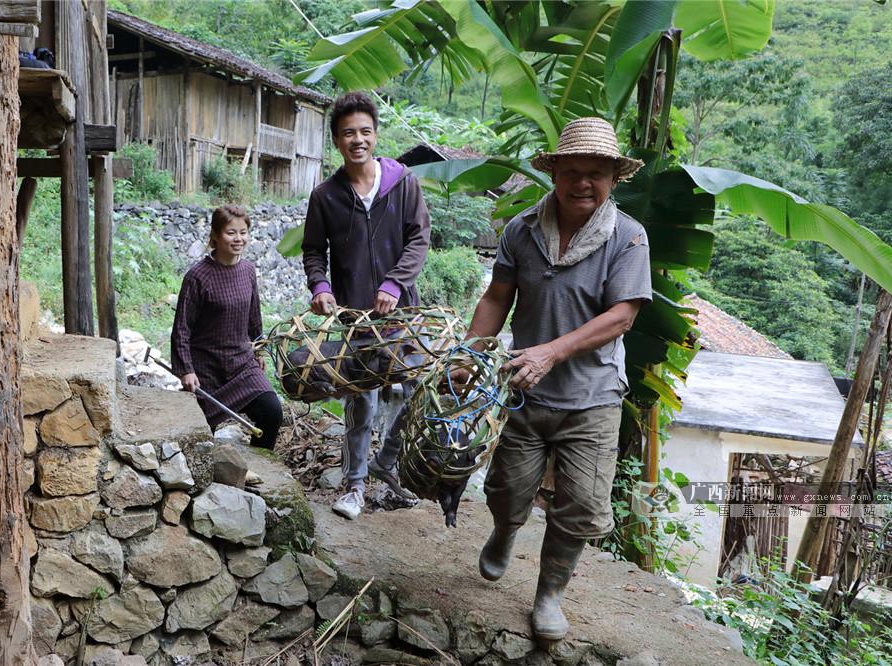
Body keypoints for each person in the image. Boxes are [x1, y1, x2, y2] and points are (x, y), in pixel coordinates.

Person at [463, 117, 651, 640]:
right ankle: (503, 532)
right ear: (555, 174)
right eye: (572, 171)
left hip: (592, 399)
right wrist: (470, 353)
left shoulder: (629, 238)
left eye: (596, 173)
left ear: (614, 177)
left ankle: (549, 594)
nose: (582, 182)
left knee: (583, 504)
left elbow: (622, 316)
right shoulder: (522, 229)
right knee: (506, 488)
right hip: (526, 391)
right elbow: (497, 297)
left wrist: (551, 351)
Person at [302, 91, 432, 520]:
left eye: (364, 131)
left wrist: (395, 283)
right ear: (336, 141)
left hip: (403, 313)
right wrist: (320, 285)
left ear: (375, 135)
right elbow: (313, 250)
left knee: (418, 394)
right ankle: (355, 485)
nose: (357, 139)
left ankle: (387, 463)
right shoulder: (325, 197)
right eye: (347, 133)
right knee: (363, 401)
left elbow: (419, 238)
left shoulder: (403, 183)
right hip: (357, 316)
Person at [171, 204, 283, 450]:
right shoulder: (197, 277)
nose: (238, 239)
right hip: (206, 368)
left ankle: (258, 471)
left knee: (272, 413)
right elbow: (182, 329)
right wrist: (186, 370)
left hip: (242, 363)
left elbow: (254, 317)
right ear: (215, 235)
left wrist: (259, 349)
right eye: (231, 233)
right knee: (199, 436)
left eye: (243, 232)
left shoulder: (248, 271)